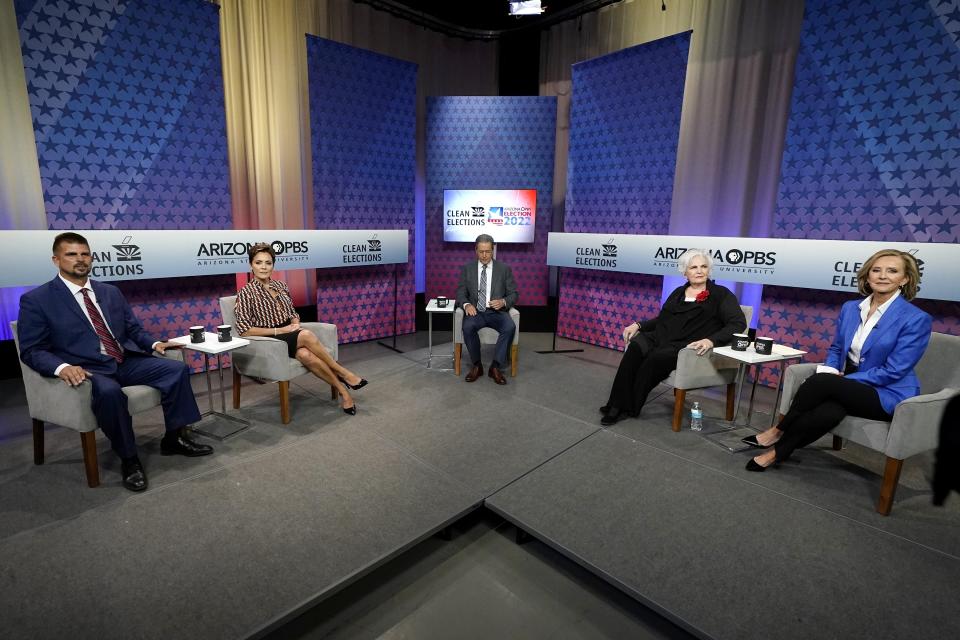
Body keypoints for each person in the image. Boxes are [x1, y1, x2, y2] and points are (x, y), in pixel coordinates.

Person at [17, 232, 211, 492]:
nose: (80, 259)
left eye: (85, 254)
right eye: (71, 254)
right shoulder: (38, 300)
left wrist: (154, 344)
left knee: (175, 369)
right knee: (109, 393)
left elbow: (133, 330)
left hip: (122, 360)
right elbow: (32, 349)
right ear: (56, 260)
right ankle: (129, 459)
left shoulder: (109, 292)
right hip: (87, 370)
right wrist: (63, 367)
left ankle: (174, 437)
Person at [742, 249, 932, 471]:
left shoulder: (916, 319)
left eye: (892, 271)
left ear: (905, 278)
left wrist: (841, 380)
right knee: (829, 411)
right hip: (850, 386)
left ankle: (778, 430)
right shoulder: (851, 308)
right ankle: (777, 454)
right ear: (867, 275)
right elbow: (837, 348)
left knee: (822, 382)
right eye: (876, 270)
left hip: (888, 393)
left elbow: (894, 371)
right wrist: (832, 370)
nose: (882, 276)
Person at [600, 248, 746, 426]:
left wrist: (711, 340)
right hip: (660, 336)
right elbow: (662, 319)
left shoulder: (721, 294)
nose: (699, 271)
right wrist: (639, 325)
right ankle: (616, 403)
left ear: (709, 270)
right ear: (685, 272)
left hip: (685, 346)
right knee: (635, 348)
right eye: (693, 267)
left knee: (654, 359)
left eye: (703, 266)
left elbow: (737, 323)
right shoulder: (678, 292)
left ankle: (627, 407)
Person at [234, 243, 367, 415]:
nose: (264, 267)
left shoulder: (281, 286)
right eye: (258, 262)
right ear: (251, 264)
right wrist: (279, 331)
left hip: (289, 333)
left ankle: (344, 392)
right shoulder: (246, 292)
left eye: (268, 263)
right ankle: (344, 372)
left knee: (306, 355)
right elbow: (244, 330)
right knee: (305, 335)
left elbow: (291, 312)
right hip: (270, 340)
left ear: (273, 265)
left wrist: (295, 320)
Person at [454, 234, 519, 385]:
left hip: (496, 312)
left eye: (488, 252)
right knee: (467, 326)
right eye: (481, 251)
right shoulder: (467, 269)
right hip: (476, 312)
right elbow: (460, 292)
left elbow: (514, 294)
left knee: (510, 327)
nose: (484, 255)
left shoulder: (503, 269)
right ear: (476, 250)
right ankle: (477, 365)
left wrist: (503, 301)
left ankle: (495, 366)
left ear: (493, 250)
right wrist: (466, 305)